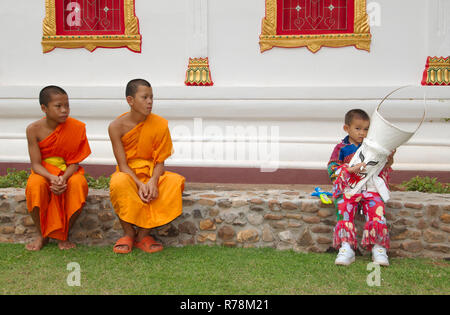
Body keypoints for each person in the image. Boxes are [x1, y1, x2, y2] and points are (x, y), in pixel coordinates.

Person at [108, 79, 185, 254]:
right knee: (118, 182)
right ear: (130, 100)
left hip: (152, 172)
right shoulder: (116, 127)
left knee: (174, 182)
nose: (150, 102)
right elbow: (122, 165)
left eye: (151, 97)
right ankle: (128, 233)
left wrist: (152, 181)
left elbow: (160, 161)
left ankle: (142, 235)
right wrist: (140, 184)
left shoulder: (159, 124)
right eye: (144, 97)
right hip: (129, 173)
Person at [25, 86, 91, 251]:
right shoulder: (33, 130)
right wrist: (52, 177)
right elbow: (36, 164)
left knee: (78, 184)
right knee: (35, 185)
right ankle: (42, 234)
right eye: (58, 106)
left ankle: (64, 234)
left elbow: (75, 162)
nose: (64, 110)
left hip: (68, 171)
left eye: (67, 105)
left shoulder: (76, 127)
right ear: (44, 108)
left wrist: (63, 178)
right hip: (44, 171)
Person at [327, 109, 395, 266]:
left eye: (366, 129)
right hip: (350, 190)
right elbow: (332, 168)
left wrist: (390, 159)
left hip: (371, 189)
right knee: (343, 208)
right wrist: (349, 169)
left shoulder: (374, 147)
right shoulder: (342, 148)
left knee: (377, 210)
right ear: (347, 128)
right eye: (358, 128)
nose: (362, 133)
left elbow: (382, 168)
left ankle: (378, 248)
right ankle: (347, 247)